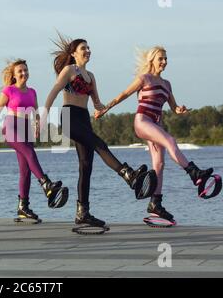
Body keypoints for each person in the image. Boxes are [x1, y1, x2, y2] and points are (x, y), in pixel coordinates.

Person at [42, 34, 157, 231]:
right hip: (69, 117)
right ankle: (128, 174)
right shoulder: (69, 70)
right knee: (99, 144)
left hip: (84, 118)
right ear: (74, 53)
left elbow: (97, 104)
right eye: (83, 48)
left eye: (88, 48)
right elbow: (53, 91)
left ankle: (82, 213)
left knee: (86, 166)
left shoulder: (91, 76)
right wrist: (43, 115)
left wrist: (107, 107)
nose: (87, 51)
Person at [95, 46, 215, 225]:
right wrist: (104, 109)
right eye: (161, 58)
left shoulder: (167, 84)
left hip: (156, 124)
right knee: (170, 140)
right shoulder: (144, 78)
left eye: (166, 59)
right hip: (143, 122)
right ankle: (194, 173)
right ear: (152, 60)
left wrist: (179, 110)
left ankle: (155, 203)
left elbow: (173, 107)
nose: (164, 62)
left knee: (159, 164)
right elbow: (124, 95)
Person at [0, 59, 68, 224]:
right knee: (29, 153)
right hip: (11, 127)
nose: (23, 73)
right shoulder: (9, 91)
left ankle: (23, 208)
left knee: (25, 170)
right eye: (20, 71)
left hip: (27, 130)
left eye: (26, 70)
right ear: (13, 75)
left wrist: (37, 126)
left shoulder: (32, 91)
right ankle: (46, 184)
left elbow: (35, 111)